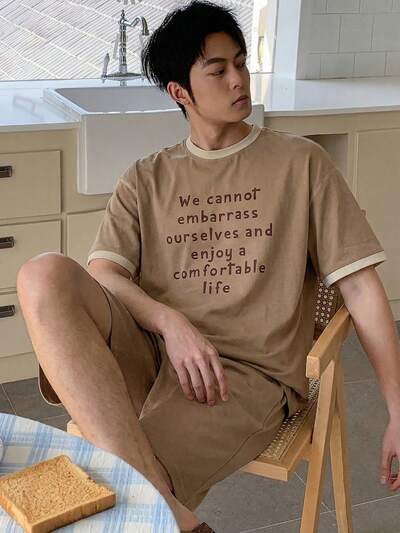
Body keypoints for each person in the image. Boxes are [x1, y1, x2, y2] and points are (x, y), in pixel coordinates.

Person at [17, 1, 397, 532]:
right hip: (155, 352)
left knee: (113, 483)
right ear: (181, 92)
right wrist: (171, 323)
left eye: (240, 63)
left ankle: (166, 511)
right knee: (42, 274)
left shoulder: (301, 163)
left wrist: (397, 409)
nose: (238, 79)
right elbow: (104, 274)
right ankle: (176, 517)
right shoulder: (146, 177)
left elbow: (358, 286)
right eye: (217, 71)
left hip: (244, 375)